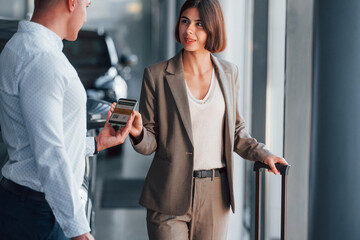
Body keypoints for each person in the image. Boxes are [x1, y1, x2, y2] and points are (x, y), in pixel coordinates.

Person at [128, 0, 288, 239]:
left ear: (213, 28)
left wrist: (263, 153)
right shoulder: (156, 75)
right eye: (185, 21)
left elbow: (236, 130)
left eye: (199, 24)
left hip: (215, 194)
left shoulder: (229, 72)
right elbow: (151, 142)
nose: (189, 30)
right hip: (168, 192)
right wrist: (139, 133)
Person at [0, 0, 137, 239]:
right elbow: (50, 154)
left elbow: (34, 144)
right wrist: (79, 230)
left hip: (29, 206)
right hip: (42, 214)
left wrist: (96, 144)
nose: (85, 17)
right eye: (87, 5)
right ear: (72, 2)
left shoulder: (20, 46)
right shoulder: (42, 59)